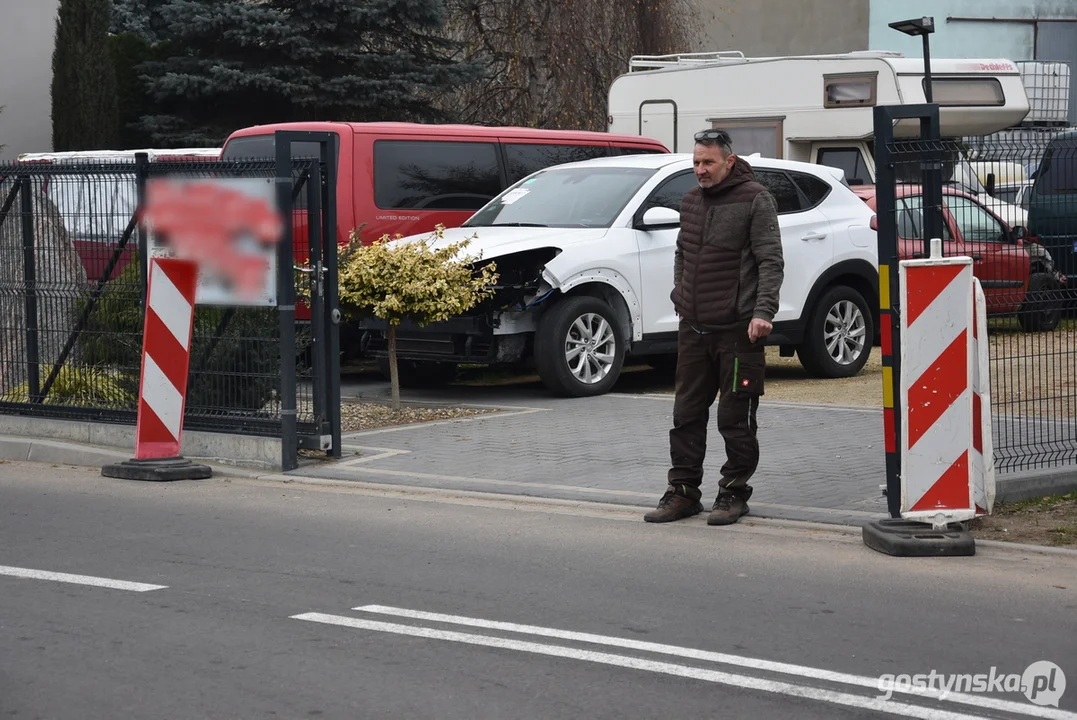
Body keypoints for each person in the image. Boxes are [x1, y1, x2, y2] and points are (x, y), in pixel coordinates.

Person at [644, 129, 784, 526]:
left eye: (708, 162)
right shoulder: (691, 201)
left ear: (729, 161)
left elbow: (770, 261)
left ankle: (733, 493)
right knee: (685, 414)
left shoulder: (756, 199)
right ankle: (683, 492)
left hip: (740, 330)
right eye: (696, 162)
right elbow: (682, 253)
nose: (700, 170)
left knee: (734, 419)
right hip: (695, 328)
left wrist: (763, 312)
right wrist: (681, 297)